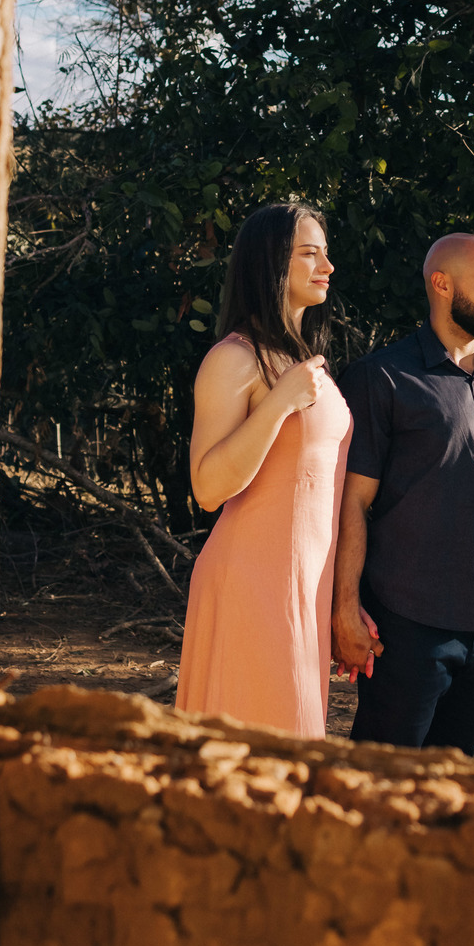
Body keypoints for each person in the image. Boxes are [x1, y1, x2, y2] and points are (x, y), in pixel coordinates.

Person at [332, 232, 474, 755]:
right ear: (442, 284)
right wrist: (345, 610)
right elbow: (352, 503)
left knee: (450, 778)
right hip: (405, 630)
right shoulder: (381, 378)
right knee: (377, 778)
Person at [175, 200, 355, 738]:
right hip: (252, 585)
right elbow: (208, 487)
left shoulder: (302, 360)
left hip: (305, 586)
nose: (327, 267)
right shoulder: (234, 358)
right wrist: (278, 404)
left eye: (326, 253)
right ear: (271, 262)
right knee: (261, 753)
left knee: (288, 753)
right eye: (309, 254)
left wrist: (343, 601)